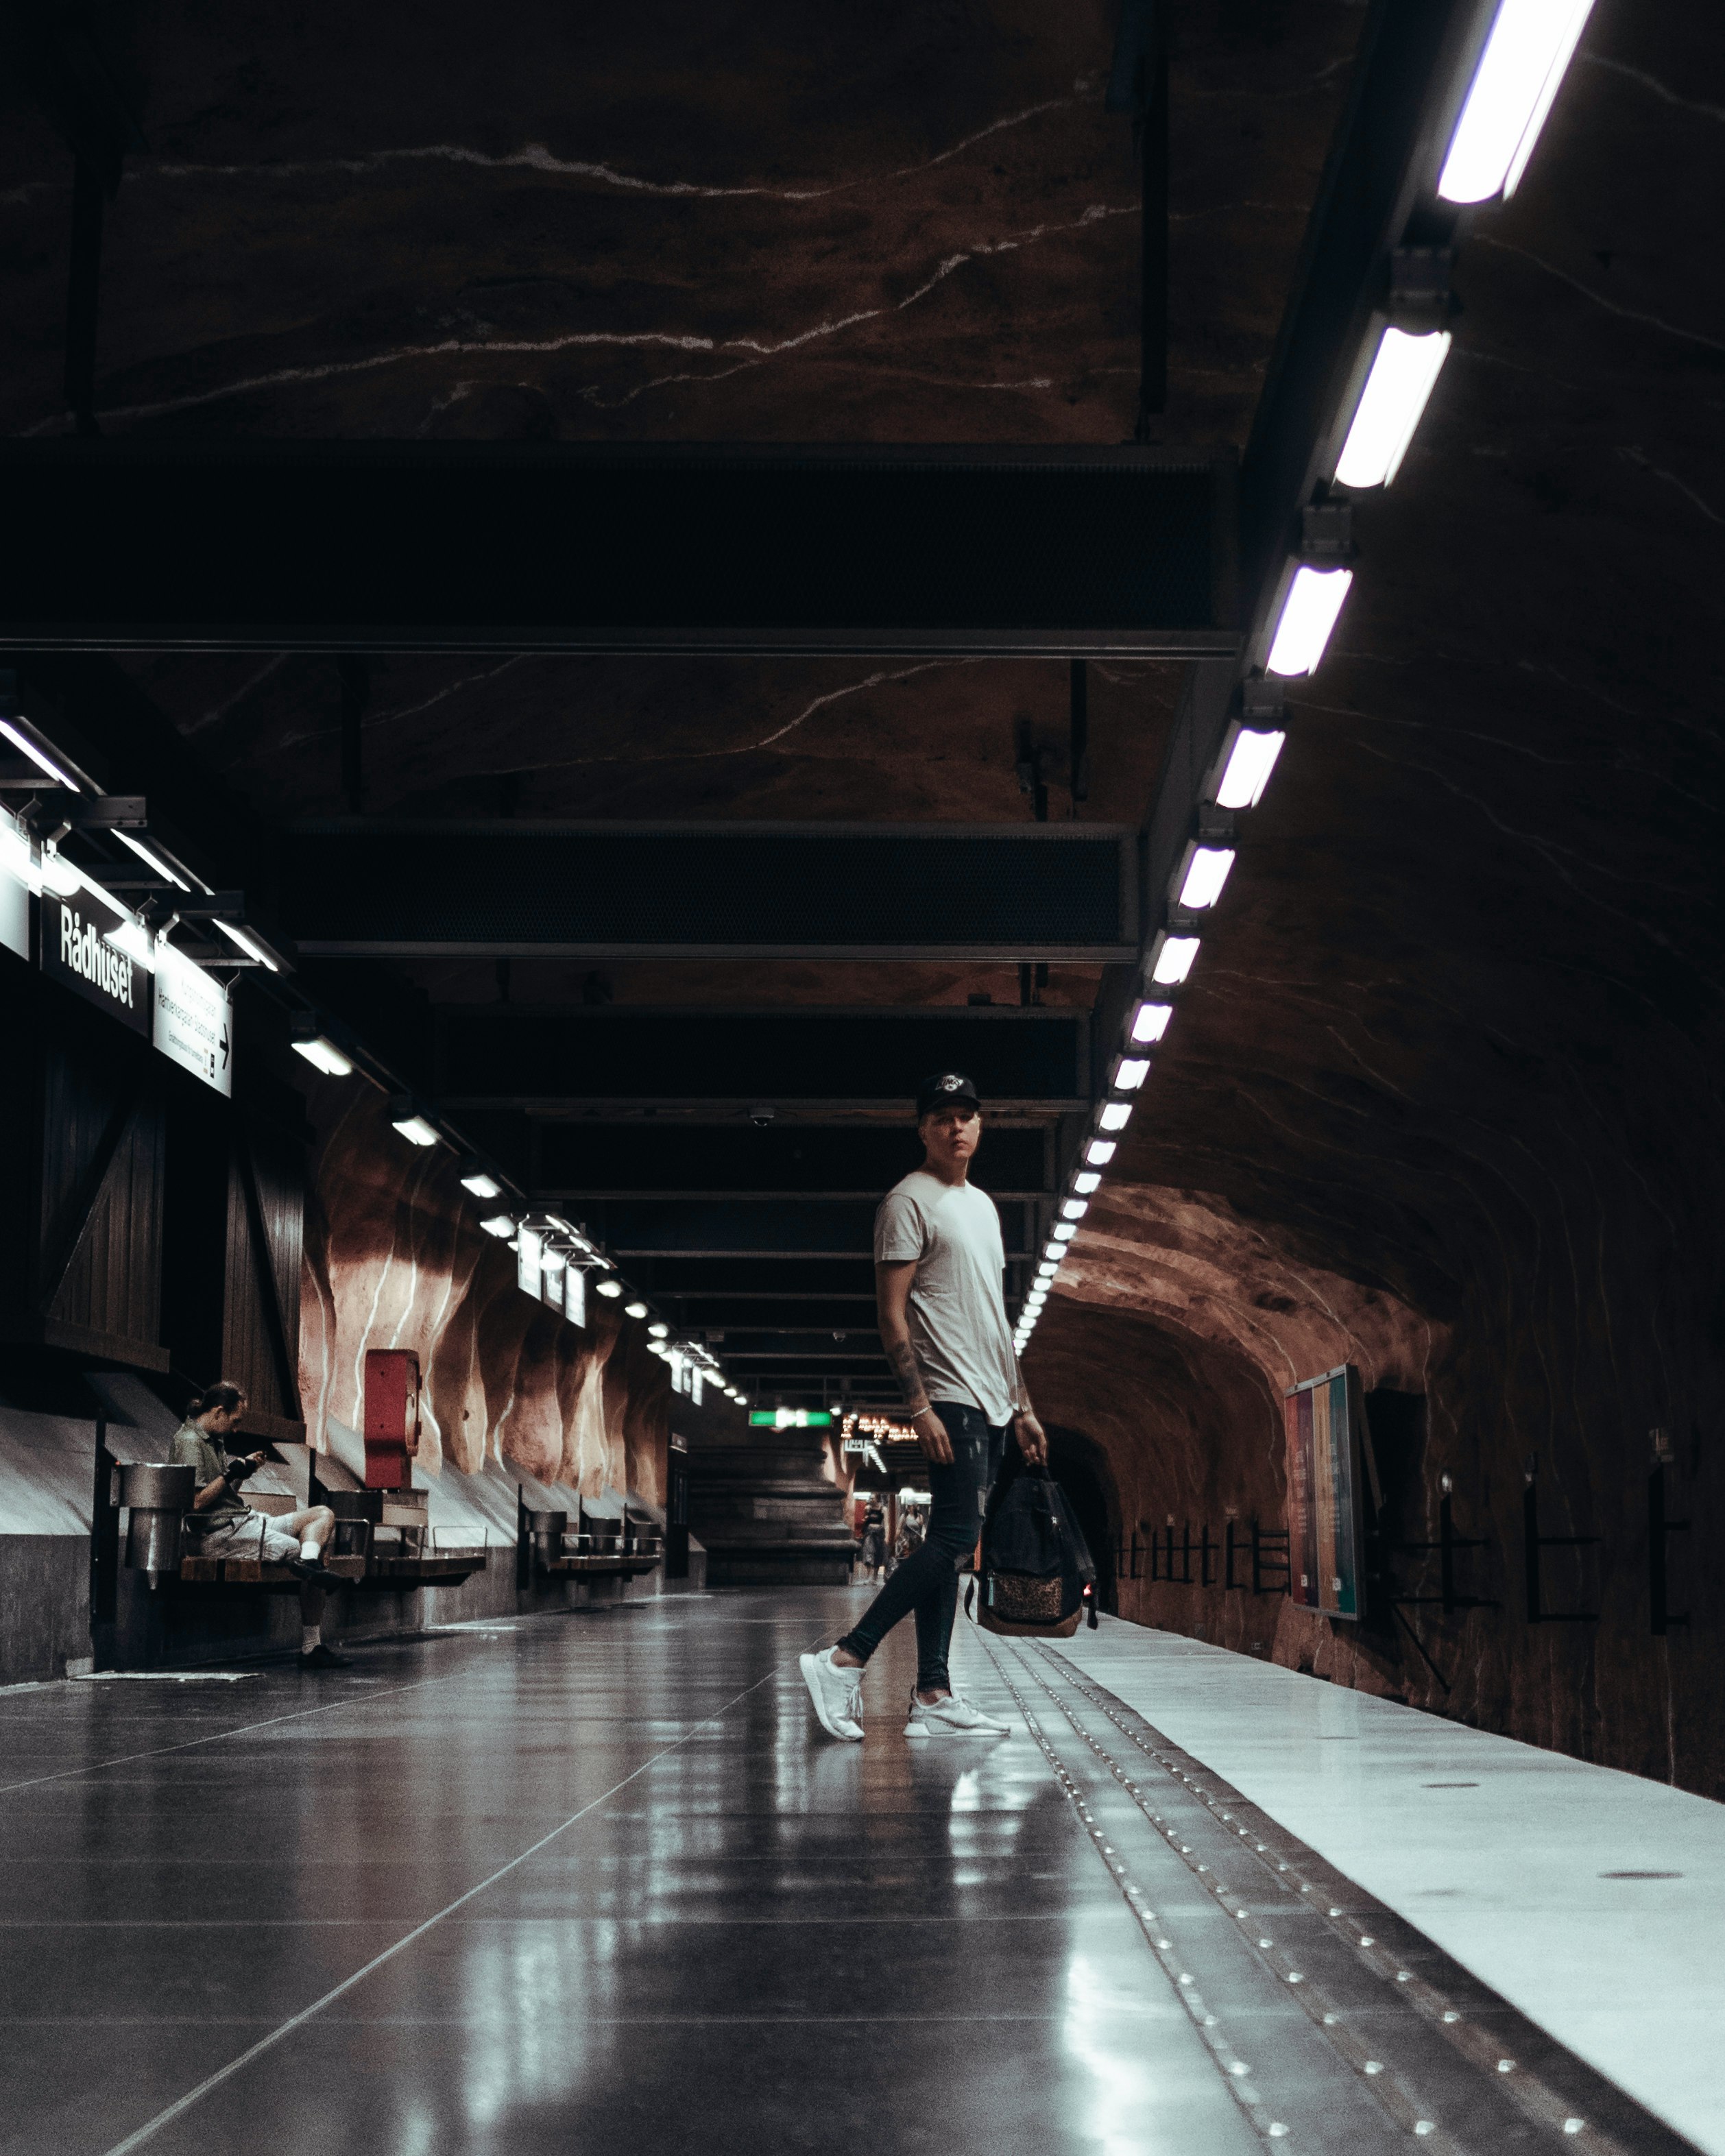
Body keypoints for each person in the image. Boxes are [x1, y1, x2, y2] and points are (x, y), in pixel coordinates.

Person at [800, 1071, 1047, 1741]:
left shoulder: (986, 1208)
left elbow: (994, 1316)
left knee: (953, 1540)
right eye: (941, 1116)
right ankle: (844, 1658)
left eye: (966, 1114)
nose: (955, 1127)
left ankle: (933, 1692)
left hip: (993, 1401)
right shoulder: (906, 1202)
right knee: (954, 1538)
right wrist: (918, 1405)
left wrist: (1021, 1403)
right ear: (922, 1128)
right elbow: (889, 1314)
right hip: (948, 1395)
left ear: (980, 1125)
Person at [169, 1381, 350, 1671]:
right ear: (218, 1412)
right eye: (235, 1421)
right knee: (297, 1548)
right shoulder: (190, 1442)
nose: (236, 1428)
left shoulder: (214, 1439)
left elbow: (226, 1494)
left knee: (322, 1515)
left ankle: (309, 1566)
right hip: (218, 1534)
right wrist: (231, 1473)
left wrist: (243, 1472)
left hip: (245, 1522)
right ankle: (310, 1642)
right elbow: (196, 1503)